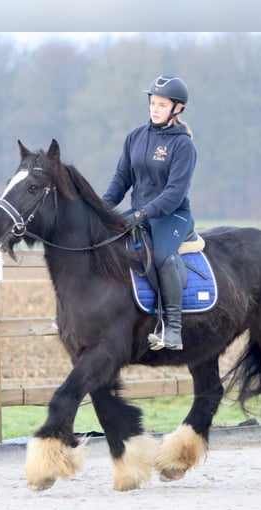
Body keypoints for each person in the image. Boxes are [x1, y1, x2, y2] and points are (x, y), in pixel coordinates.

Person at [103, 74, 197, 351]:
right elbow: (121, 180)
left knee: (162, 257)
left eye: (162, 105)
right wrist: (101, 209)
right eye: (153, 103)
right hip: (140, 210)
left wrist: (142, 214)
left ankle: (173, 328)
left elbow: (174, 192)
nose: (155, 109)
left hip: (172, 214)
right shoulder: (135, 136)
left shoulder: (183, 145)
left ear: (177, 109)